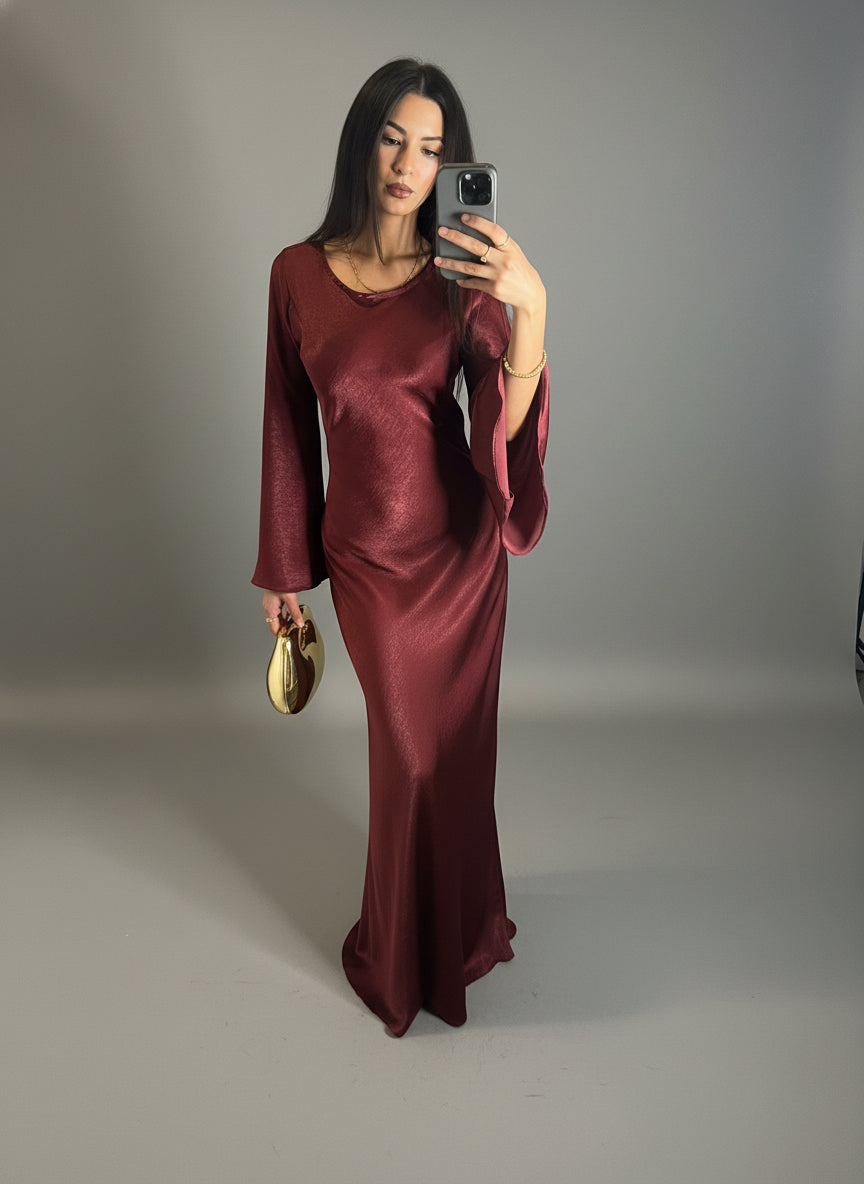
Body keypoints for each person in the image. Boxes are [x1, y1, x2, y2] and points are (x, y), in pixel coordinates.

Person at [251, 58, 550, 1037]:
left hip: (460, 556)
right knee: (409, 756)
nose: (407, 165)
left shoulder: (460, 280)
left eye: (430, 149)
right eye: (392, 138)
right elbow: (287, 430)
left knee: (450, 758)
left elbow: (500, 425)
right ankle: (403, 952)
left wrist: (531, 312)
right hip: (369, 564)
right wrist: (284, 572)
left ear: (448, 166)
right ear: (362, 140)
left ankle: (462, 931)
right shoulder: (297, 275)